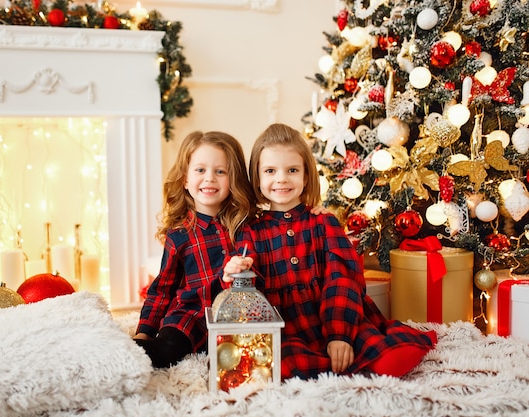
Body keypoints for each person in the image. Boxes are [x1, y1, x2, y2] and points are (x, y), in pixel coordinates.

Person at [221, 123, 437, 380]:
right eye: (270, 171)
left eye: (292, 170)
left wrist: (340, 335)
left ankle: (352, 355)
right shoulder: (251, 231)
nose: (281, 179)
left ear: (306, 176)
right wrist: (234, 272)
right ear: (257, 177)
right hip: (287, 326)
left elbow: (342, 279)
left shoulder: (323, 222)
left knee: (390, 357)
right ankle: (326, 367)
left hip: (335, 317)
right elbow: (246, 290)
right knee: (281, 367)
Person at [133, 130, 256, 368]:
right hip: (190, 315)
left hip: (233, 314)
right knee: (165, 351)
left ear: (234, 180)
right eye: (200, 170)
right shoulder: (179, 235)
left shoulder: (246, 225)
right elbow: (162, 288)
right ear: (185, 179)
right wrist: (144, 332)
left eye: (220, 171)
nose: (210, 178)